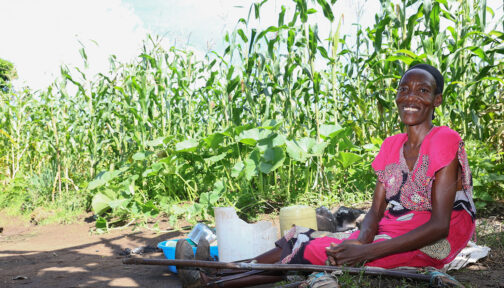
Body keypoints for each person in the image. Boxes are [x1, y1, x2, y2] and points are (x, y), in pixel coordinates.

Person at [175, 63, 476, 288]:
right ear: (397, 96)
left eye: (423, 91)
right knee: (295, 237)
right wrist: (361, 241)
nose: (411, 97)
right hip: (395, 228)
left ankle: (211, 282)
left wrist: (366, 251)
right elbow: (374, 211)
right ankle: (218, 269)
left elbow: (439, 225)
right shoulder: (392, 145)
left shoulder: (443, 139)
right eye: (404, 89)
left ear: (437, 100)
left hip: (434, 239)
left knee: (317, 250)